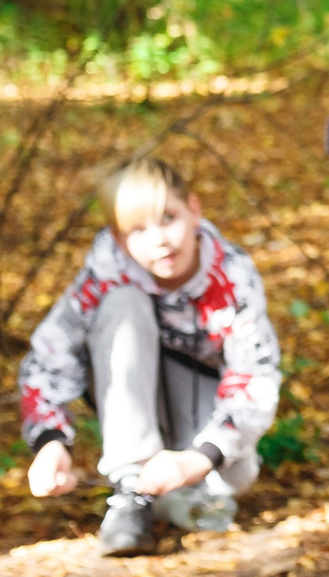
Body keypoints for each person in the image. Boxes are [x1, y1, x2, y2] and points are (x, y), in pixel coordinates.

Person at [20, 157, 282, 555]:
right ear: (119, 239)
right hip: (132, 387)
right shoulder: (106, 273)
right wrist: (51, 441)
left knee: (232, 479)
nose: (159, 240)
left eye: (168, 218)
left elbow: (255, 374)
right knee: (123, 304)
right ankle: (131, 490)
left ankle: (178, 484)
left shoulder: (232, 276)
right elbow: (50, 355)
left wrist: (201, 456)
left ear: (194, 210)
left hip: (201, 398)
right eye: (137, 230)